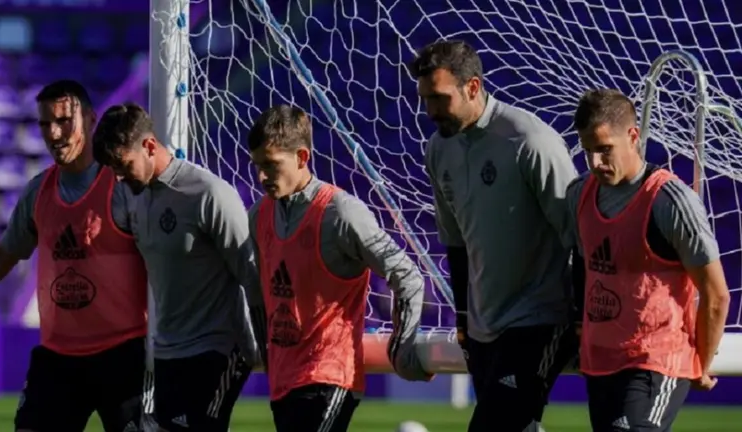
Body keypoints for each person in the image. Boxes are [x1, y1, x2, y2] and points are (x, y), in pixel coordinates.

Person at [410, 39, 580, 431]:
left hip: (540, 317)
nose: (430, 111)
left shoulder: (531, 142)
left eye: (439, 98)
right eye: (424, 100)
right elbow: (455, 242)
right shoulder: (438, 149)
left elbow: (578, 235)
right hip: (484, 325)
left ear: (473, 87)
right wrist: (466, 318)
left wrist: (584, 317)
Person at [0, 80, 148, 432]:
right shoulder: (39, 192)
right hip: (58, 358)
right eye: (44, 124)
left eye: (64, 121)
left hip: (124, 353)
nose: (54, 133)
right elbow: (3, 256)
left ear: (91, 119)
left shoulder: (122, 187)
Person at [246, 104, 430, 432]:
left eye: (271, 166)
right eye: (257, 166)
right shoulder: (259, 215)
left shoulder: (341, 213)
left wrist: (402, 347)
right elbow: (258, 294)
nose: (262, 177)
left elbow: (407, 274)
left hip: (328, 373)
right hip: (283, 379)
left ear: (302, 157)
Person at [92, 103, 265, 432]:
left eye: (122, 164)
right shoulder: (133, 196)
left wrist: (268, 347)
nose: (117, 175)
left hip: (219, 347)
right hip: (168, 352)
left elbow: (251, 275)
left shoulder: (208, 194)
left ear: (149, 146)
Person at [568, 88, 730, 431]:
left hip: (655, 361)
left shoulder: (670, 201)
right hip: (601, 362)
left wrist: (702, 362)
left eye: (604, 149)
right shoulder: (579, 193)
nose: (596, 162)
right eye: (588, 152)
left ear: (633, 136)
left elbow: (716, 294)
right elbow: (582, 268)